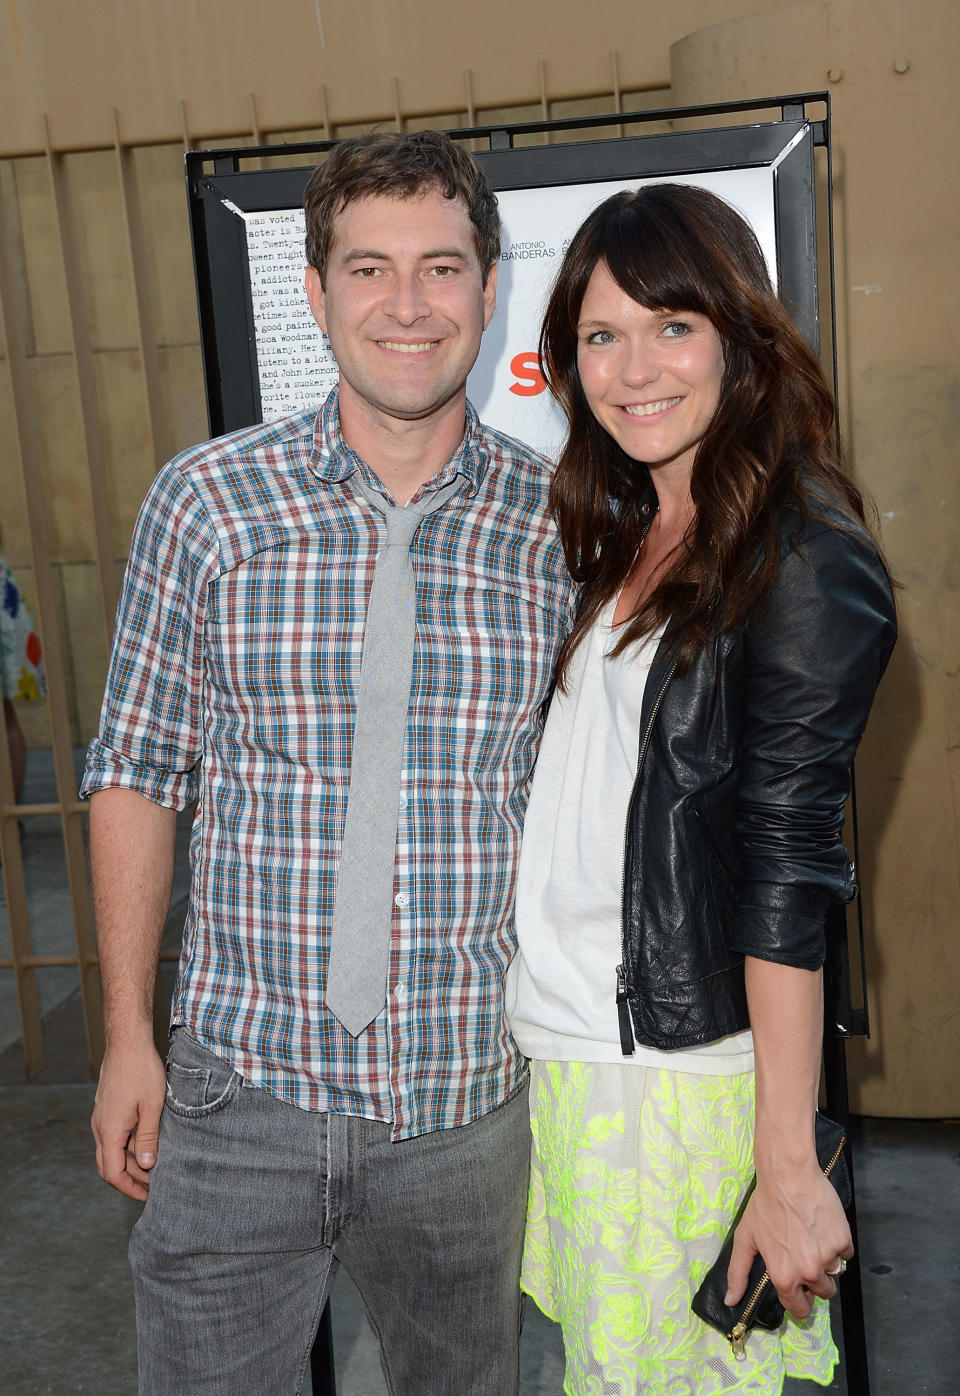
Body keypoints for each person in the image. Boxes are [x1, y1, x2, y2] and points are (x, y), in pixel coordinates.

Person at [82, 129, 574, 1395]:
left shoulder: (563, 532)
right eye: (368, 269)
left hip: (469, 1101)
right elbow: (137, 771)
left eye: (441, 268)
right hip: (235, 1094)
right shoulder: (206, 505)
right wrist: (128, 1036)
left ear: (488, 287)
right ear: (315, 292)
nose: (406, 306)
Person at [505, 183, 897, 1394]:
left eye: (673, 326)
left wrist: (786, 1159)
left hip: (677, 1084)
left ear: (740, 334)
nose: (634, 370)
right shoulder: (625, 531)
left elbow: (791, 864)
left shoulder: (803, 553)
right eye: (601, 336)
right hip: (578, 1062)